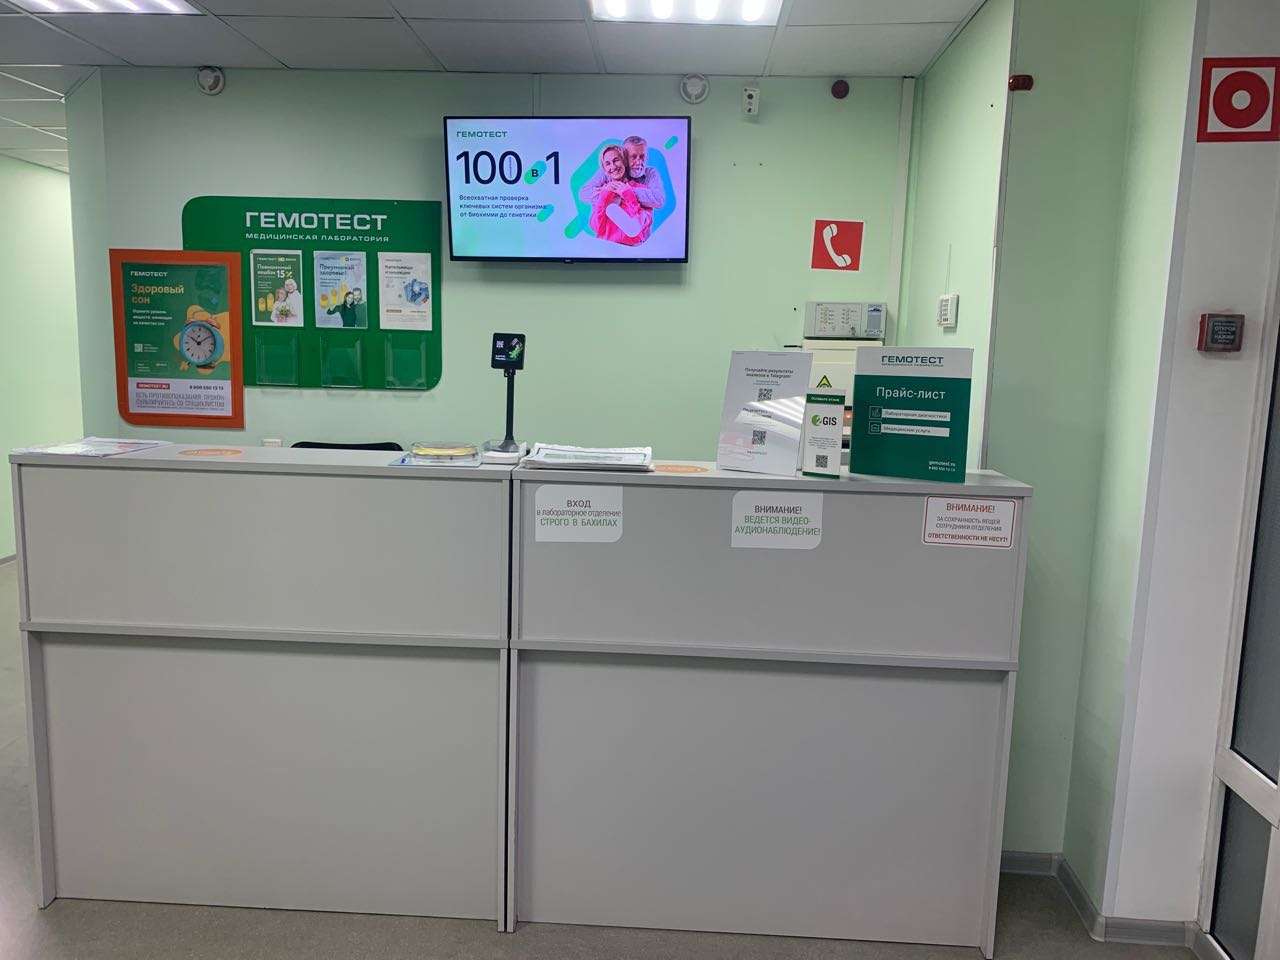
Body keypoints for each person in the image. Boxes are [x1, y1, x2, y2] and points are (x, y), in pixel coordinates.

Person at [578, 135, 665, 213]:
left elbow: (659, 200)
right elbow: (584, 193)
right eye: (633, 157)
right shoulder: (611, 169)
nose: (638, 162)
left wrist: (626, 191)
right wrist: (610, 191)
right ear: (624, 157)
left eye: (642, 157)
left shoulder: (650, 173)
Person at [588, 144, 652, 246]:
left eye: (616, 160)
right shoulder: (601, 193)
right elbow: (597, 228)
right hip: (605, 250)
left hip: (632, 252)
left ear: (624, 162)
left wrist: (630, 196)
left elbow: (642, 228)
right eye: (608, 164)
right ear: (604, 169)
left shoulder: (641, 190)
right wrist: (604, 196)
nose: (613, 167)